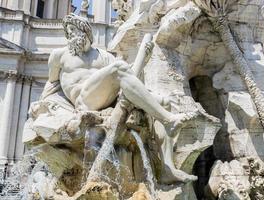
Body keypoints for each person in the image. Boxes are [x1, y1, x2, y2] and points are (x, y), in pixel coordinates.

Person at [41, 13, 197, 183]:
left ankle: (167, 168)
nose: (69, 35)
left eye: (72, 30)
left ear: (84, 31)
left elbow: (129, 78)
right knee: (119, 68)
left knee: (165, 102)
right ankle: (169, 120)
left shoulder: (103, 56)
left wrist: (143, 56)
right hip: (84, 101)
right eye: (67, 31)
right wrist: (50, 109)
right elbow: (52, 87)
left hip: (110, 97)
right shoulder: (58, 55)